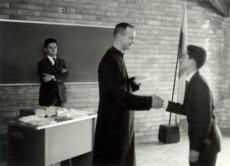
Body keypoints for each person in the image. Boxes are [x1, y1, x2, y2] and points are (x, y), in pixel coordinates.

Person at [93, 22, 164, 166]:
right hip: (114, 129)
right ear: (119, 36)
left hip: (119, 125)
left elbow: (116, 88)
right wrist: (150, 102)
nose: (134, 41)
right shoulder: (111, 60)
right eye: (131, 38)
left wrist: (132, 83)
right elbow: (121, 98)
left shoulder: (116, 57)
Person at [166, 45, 222, 166]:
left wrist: (196, 149)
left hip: (206, 143)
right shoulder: (193, 81)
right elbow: (188, 109)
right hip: (202, 140)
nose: (180, 59)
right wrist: (165, 104)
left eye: (184, 56)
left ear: (192, 62)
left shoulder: (199, 85)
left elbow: (203, 120)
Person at [38, 38, 68, 107]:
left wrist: (52, 76)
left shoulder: (62, 61)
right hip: (48, 96)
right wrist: (60, 74)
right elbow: (46, 79)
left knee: (61, 116)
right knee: (49, 116)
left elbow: (66, 75)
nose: (53, 49)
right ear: (45, 49)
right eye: (50, 47)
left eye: (55, 47)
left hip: (61, 95)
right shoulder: (42, 63)